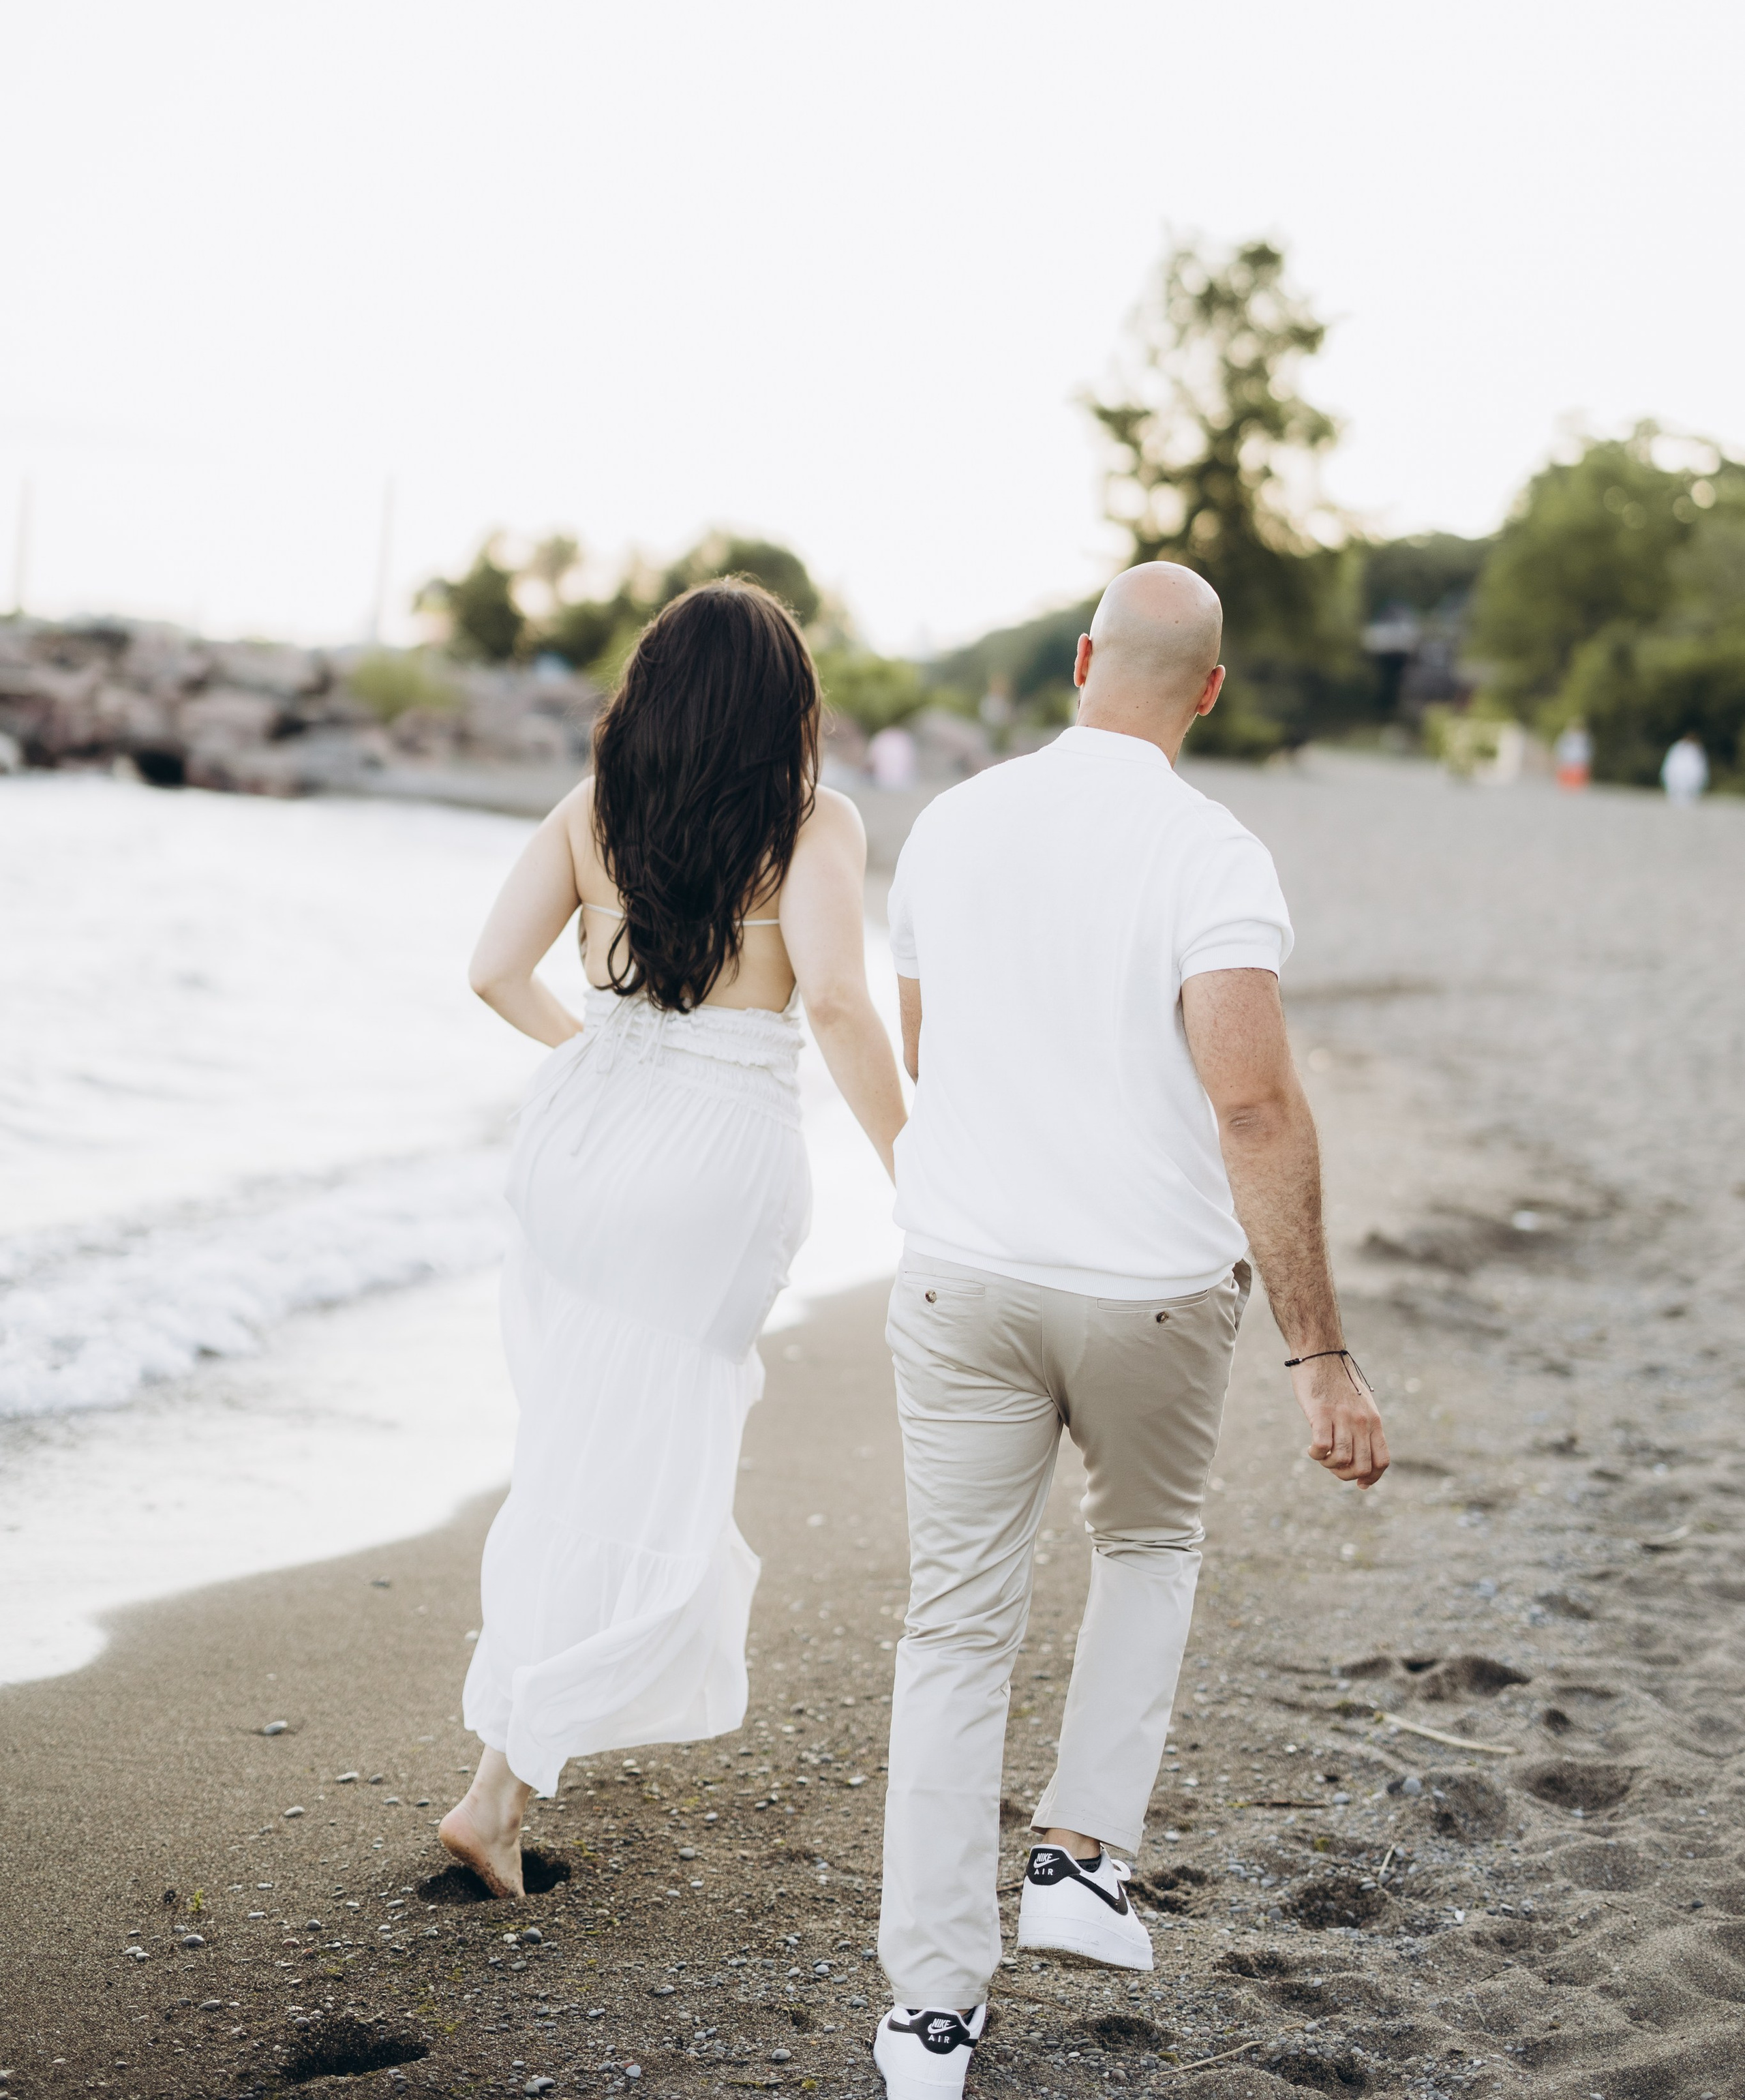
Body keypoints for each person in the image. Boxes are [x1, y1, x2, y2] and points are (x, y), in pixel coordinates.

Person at [870, 562, 1389, 2100]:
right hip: (1147, 1295)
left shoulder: (951, 823)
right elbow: (1249, 1100)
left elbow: (928, 1052)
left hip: (957, 1278)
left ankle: (927, 2019)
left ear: (1082, 660)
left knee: (954, 1631)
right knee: (1146, 1549)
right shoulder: (1207, 849)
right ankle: (1076, 1863)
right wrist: (1318, 1352)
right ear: (1207, 691)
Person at [438, 580, 908, 1897]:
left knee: (577, 1443)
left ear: (648, 688)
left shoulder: (592, 810)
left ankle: (505, 1769)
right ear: (786, 706)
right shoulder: (813, 822)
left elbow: (491, 971)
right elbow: (832, 998)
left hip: (579, 1148)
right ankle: (500, 1784)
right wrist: (911, 1160)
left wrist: (598, 1051)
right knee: (635, 1463)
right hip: (710, 1163)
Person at [1660, 732, 1708, 805]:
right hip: (1677, 783)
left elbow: (1698, 769)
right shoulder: (1678, 748)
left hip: (1689, 786)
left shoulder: (1696, 749)